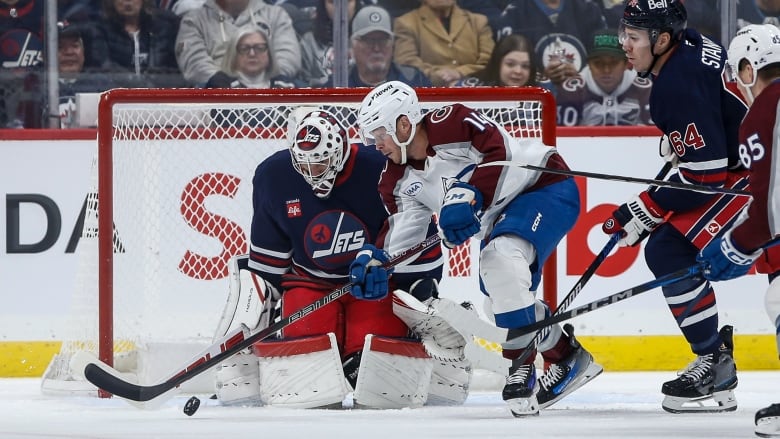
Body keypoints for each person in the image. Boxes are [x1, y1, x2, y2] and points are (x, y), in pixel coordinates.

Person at [349, 80, 604, 417]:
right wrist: (380, 261)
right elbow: (404, 234)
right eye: (371, 136)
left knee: (499, 260)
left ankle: (521, 366)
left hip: (543, 187)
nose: (375, 144)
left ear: (404, 123)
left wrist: (469, 193)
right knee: (499, 304)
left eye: (379, 133)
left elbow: (501, 152)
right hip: (501, 219)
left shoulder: (449, 121)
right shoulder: (395, 180)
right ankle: (568, 357)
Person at [211, 108, 477, 409]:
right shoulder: (274, 176)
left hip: (375, 285)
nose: (314, 172)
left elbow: (415, 240)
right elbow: (267, 266)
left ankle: (441, 367)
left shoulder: (381, 167)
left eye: (322, 162)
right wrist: (250, 320)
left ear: (339, 152)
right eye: (306, 165)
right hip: (309, 283)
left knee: (383, 385)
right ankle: (242, 368)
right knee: (306, 387)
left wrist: (416, 289)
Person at [600, 0, 750, 414]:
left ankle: (714, 362)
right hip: (752, 161)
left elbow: (706, 179)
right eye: (623, 34)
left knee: (668, 250)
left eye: (633, 37)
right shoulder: (694, 43)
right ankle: (714, 361)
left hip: (758, 176)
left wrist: (645, 206)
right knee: (668, 247)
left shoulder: (673, 88)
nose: (623, 45)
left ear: (662, 39)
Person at [695, 23, 780, 437]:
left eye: (736, 73)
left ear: (748, 69)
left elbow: (768, 211)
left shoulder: (764, 109)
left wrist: (735, 245)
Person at [174, 0, 301, 87]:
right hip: (216, 94)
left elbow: (288, 57)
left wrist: (263, 83)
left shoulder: (276, 15)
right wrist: (223, 82)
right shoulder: (193, 20)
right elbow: (193, 61)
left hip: (269, 91)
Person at [16, 21, 116, 128]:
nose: (69, 52)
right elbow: (20, 126)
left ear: (83, 53)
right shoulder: (34, 85)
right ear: (45, 56)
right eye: (60, 47)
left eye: (75, 46)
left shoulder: (101, 85)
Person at [489, 0, 607, 86]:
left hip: (585, 95)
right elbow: (504, 66)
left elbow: (605, 58)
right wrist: (540, 77)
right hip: (532, 97)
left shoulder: (589, 9)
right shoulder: (514, 13)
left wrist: (582, 76)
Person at [556, 28, 652, 126]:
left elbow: (655, 134)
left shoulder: (645, 90)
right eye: (598, 63)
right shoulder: (573, 91)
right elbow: (564, 138)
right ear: (588, 64)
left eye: (614, 63)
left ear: (626, 64)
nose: (606, 70)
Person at [321, 5, 431, 88]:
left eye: (383, 41)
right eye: (368, 41)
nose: (376, 48)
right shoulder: (337, 87)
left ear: (393, 45)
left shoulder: (414, 81)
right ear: (353, 46)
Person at [393, 0, 494, 86]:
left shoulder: (478, 21)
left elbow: (491, 60)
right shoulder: (406, 23)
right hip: (429, 91)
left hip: (476, 89)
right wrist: (437, 75)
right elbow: (406, 61)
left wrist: (460, 73)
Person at [96, 0, 184, 87]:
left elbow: (174, 72)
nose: (128, 1)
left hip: (159, 96)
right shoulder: (99, 30)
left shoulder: (164, 28)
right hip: (117, 96)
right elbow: (105, 67)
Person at [456, 33, 550, 89]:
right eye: (510, 64)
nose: (518, 71)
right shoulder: (470, 87)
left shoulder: (543, 87)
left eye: (525, 66)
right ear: (497, 63)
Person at [298, 0, 358, 87]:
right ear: (323, 5)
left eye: (348, 1)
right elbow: (303, 83)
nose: (341, 7)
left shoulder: (367, 39)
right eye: (332, 2)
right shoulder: (309, 41)